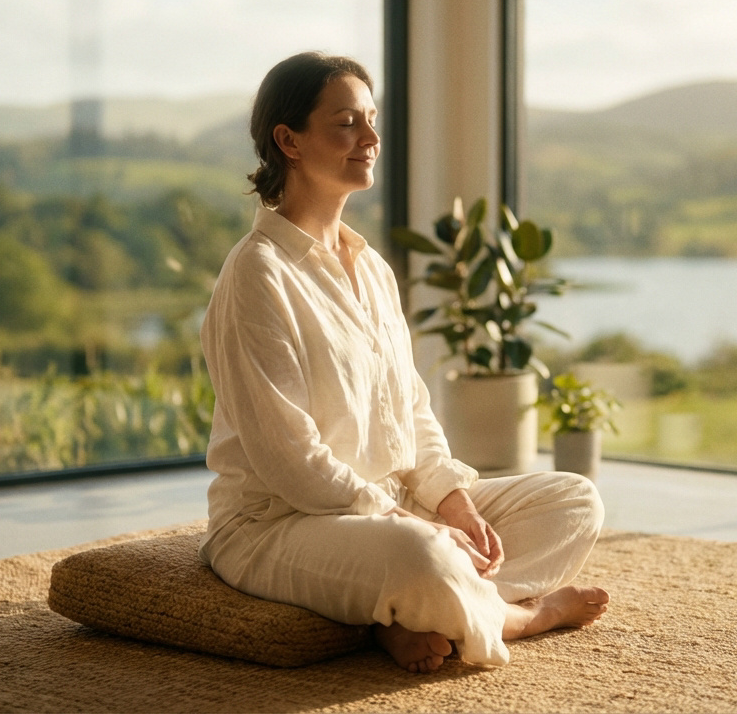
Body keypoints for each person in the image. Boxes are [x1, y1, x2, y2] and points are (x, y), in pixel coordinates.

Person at [198, 51, 609, 673]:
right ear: (289, 140)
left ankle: (404, 615)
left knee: (575, 500)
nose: (371, 138)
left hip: (393, 511)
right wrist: (404, 523)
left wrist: (453, 505)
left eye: (372, 119)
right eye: (346, 123)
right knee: (420, 556)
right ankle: (523, 615)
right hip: (279, 524)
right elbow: (290, 460)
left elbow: (410, 410)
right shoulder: (257, 273)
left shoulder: (372, 269)